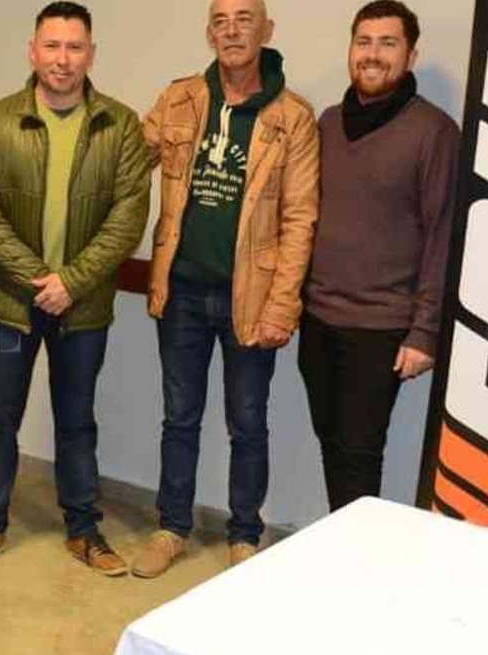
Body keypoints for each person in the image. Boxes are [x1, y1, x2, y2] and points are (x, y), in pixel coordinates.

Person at [0, 1, 150, 578]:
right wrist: (41, 280)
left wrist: (72, 282)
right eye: (52, 46)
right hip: (11, 302)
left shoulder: (120, 125)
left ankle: (84, 529)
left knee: (77, 419)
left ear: (91, 54)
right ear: (32, 51)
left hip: (83, 306)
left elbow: (128, 216)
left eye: (74, 47)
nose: (63, 59)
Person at [135, 0, 319, 578]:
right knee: (179, 417)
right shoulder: (180, 99)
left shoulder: (294, 118)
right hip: (182, 291)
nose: (232, 29)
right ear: (209, 33)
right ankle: (171, 527)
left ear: (266, 30)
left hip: (252, 298)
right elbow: (124, 158)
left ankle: (244, 535)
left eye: (245, 18)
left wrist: (282, 305)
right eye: (221, 20)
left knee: (248, 422)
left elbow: (300, 219)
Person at [300, 0, 457, 512]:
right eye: (363, 41)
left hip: (381, 329)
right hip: (319, 320)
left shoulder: (434, 132)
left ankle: (355, 569)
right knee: (331, 448)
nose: (372, 54)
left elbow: (442, 236)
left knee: (360, 455)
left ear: (411, 55)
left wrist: (424, 332)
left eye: (387, 43)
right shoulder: (327, 123)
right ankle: (344, 548)